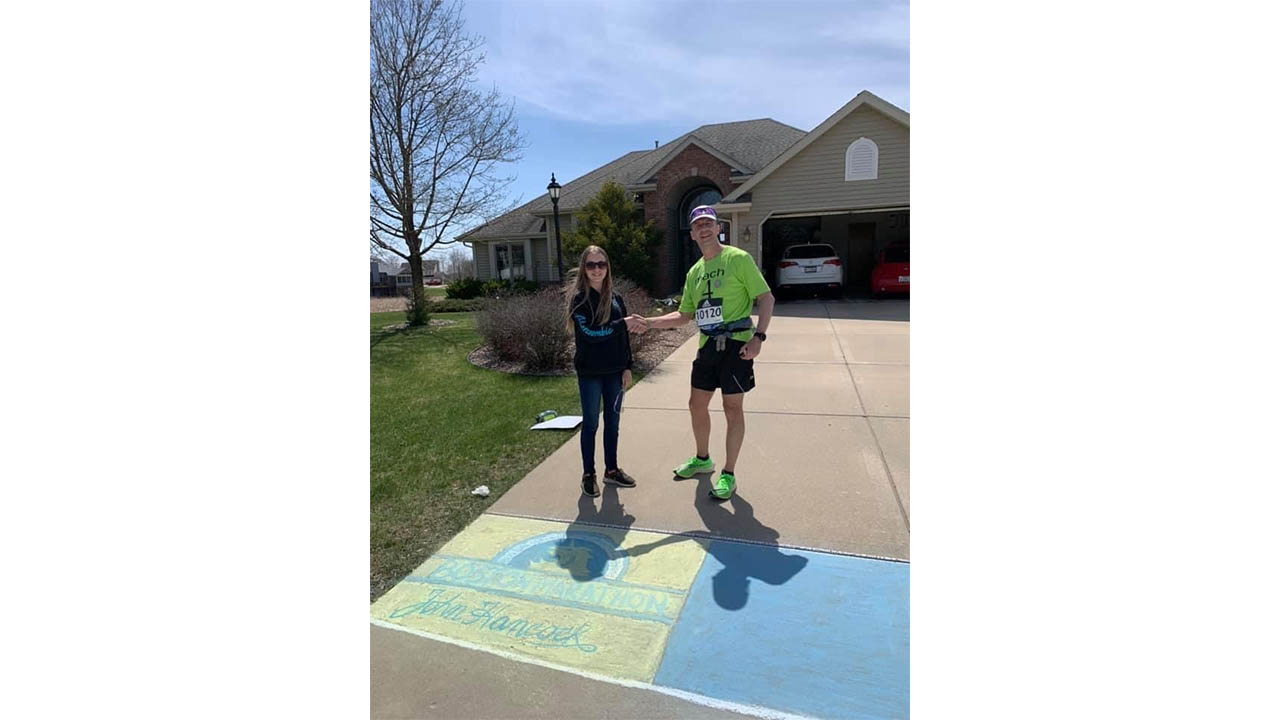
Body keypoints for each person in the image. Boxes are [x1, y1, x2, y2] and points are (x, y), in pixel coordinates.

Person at [626, 205, 774, 501]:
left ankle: (729, 474)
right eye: (697, 225)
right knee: (696, 404)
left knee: (733, 409)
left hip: (737, 345)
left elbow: (766, 298)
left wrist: (758, 338)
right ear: (692, 234)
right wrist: (648, 322)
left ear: (719, 227)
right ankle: (703, 459)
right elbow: (684, 315)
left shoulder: (738, 259)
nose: (703, 228)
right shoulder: (694, 272)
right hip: (707, 346)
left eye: (708, 223)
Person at [565, 245, 637, 498]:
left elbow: (624, 338)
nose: (597, 270)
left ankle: (612, 470)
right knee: (592, 423)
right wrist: (622, 324)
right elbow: (591, 335)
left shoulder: (616, 298)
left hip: (615, 373)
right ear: (584, 269)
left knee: (613, 423)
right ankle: (588, 474)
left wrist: (628, 366)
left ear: (608, 267)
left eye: (601, 264)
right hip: (590, 373)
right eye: (591, 265)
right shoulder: (579, 301)